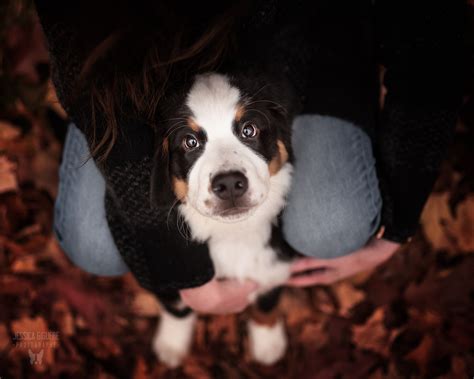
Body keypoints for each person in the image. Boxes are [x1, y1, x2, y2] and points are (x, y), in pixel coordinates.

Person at [35, 0, 464, 314]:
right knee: (92, 243)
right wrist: (184, 277)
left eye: (249, 132)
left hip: (311, 47)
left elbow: (433, 43)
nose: (228, 176)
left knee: (333, 223)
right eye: (187, 145)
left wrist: (400, 222)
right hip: (126, 80)